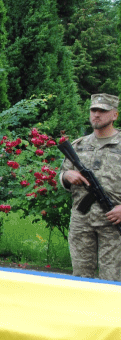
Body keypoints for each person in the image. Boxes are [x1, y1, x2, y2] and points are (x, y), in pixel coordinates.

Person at [59, 93, 121, 281]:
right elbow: (61, 175)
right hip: (81, 221)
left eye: (103, 111)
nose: (97, 114)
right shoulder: (79, 146)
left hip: (113, 222)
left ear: (114, 115)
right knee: (80, 278)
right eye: (94, 110)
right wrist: (67, 176)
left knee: (112, 279)